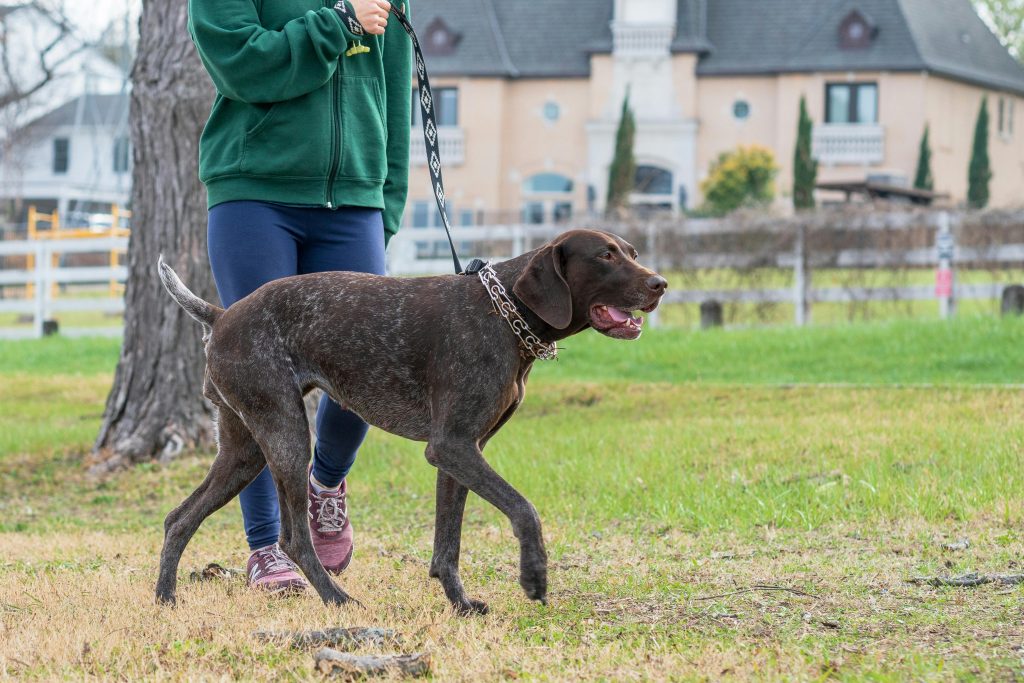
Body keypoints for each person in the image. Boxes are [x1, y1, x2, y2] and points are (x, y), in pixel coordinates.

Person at [187, 0, 411, 593]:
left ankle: (327, 481)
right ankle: (266, 544)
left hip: (355, 202)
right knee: (260, 376)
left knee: (368, 363)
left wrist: (384, 205)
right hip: (255, 195)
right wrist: (336, 23)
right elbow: (241, 64)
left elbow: (393, 96)